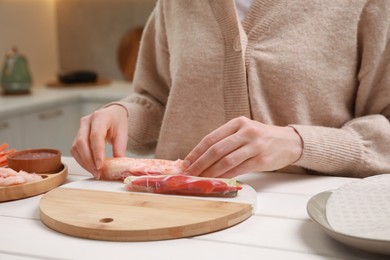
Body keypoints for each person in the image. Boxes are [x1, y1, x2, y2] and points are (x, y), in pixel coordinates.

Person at [71, 0, 390, 180]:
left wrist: (299, 144)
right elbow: (156, 99)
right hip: (170, 214)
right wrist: (121, 113)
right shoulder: (174, 4)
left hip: (305, 220)